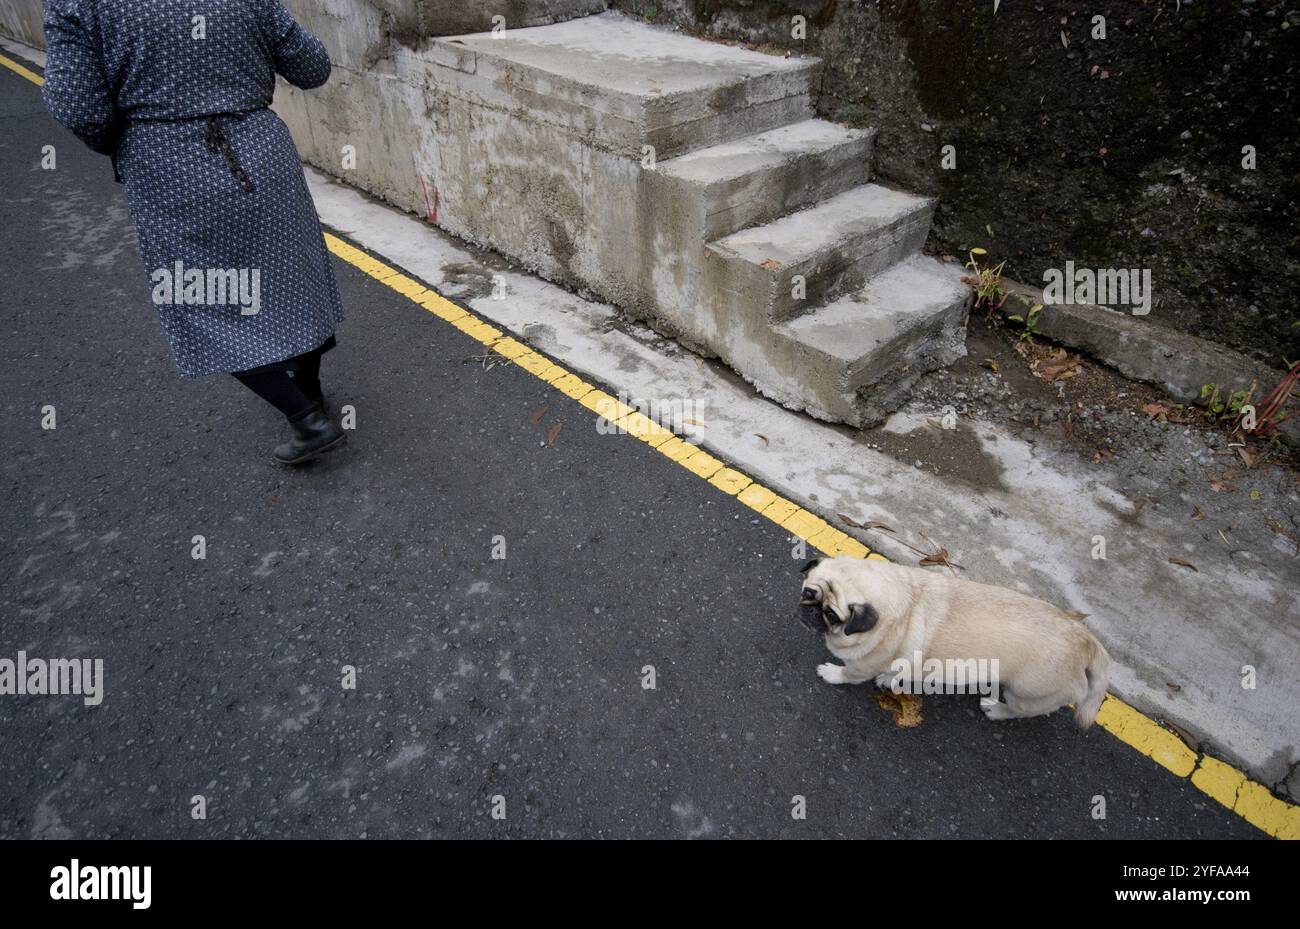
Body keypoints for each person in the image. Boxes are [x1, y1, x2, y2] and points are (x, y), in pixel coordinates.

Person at [42, 0, 347, 465]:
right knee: (290, 283)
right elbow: (312, 67)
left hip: (167, 163)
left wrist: (125, 142)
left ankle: (306, 418)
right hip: (263, 151)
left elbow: (81, 108)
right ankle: (311, 395)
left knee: (202, 297)